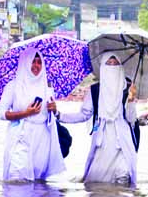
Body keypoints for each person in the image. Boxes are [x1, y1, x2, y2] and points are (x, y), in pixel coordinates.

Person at [57, 53, 139, 185]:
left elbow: (131, 119)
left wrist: (131, 100)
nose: (112, 67)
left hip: (122, 140)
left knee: (124, 175)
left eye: (115, 64)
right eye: (108, 64)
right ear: (102, 67)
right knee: (98, 182)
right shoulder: (95, 90)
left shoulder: (128, 88)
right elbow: (84, 114)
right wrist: (59, 115)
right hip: (102, 140)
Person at [0, 47, 66, 182]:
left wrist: (53, 109)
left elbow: (49, 116)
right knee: (17, 177)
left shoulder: (47, 88)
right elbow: (2, 114)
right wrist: (25, 113)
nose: (36, 66)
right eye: (32, 61)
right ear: (25, 62)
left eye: (39, 62)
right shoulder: (13, 86)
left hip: (42, 139)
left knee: (38, 182)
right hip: (21, 135)